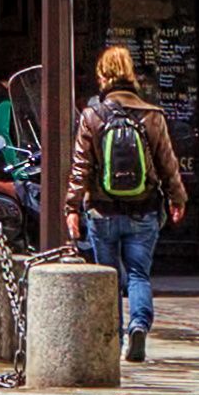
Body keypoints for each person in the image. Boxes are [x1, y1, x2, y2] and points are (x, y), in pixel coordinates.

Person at [70, 46, 187, 360]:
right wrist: (178, 198)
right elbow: (168, 164)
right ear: (131, 73)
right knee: (138, 274)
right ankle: (138, 324)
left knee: (108, 276)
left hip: (102, 209)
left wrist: (71, 207)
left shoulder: (92, 116)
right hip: (143, 207)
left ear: (102, 76)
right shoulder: (152, 115)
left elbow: (82, 166)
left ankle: (112, 341)